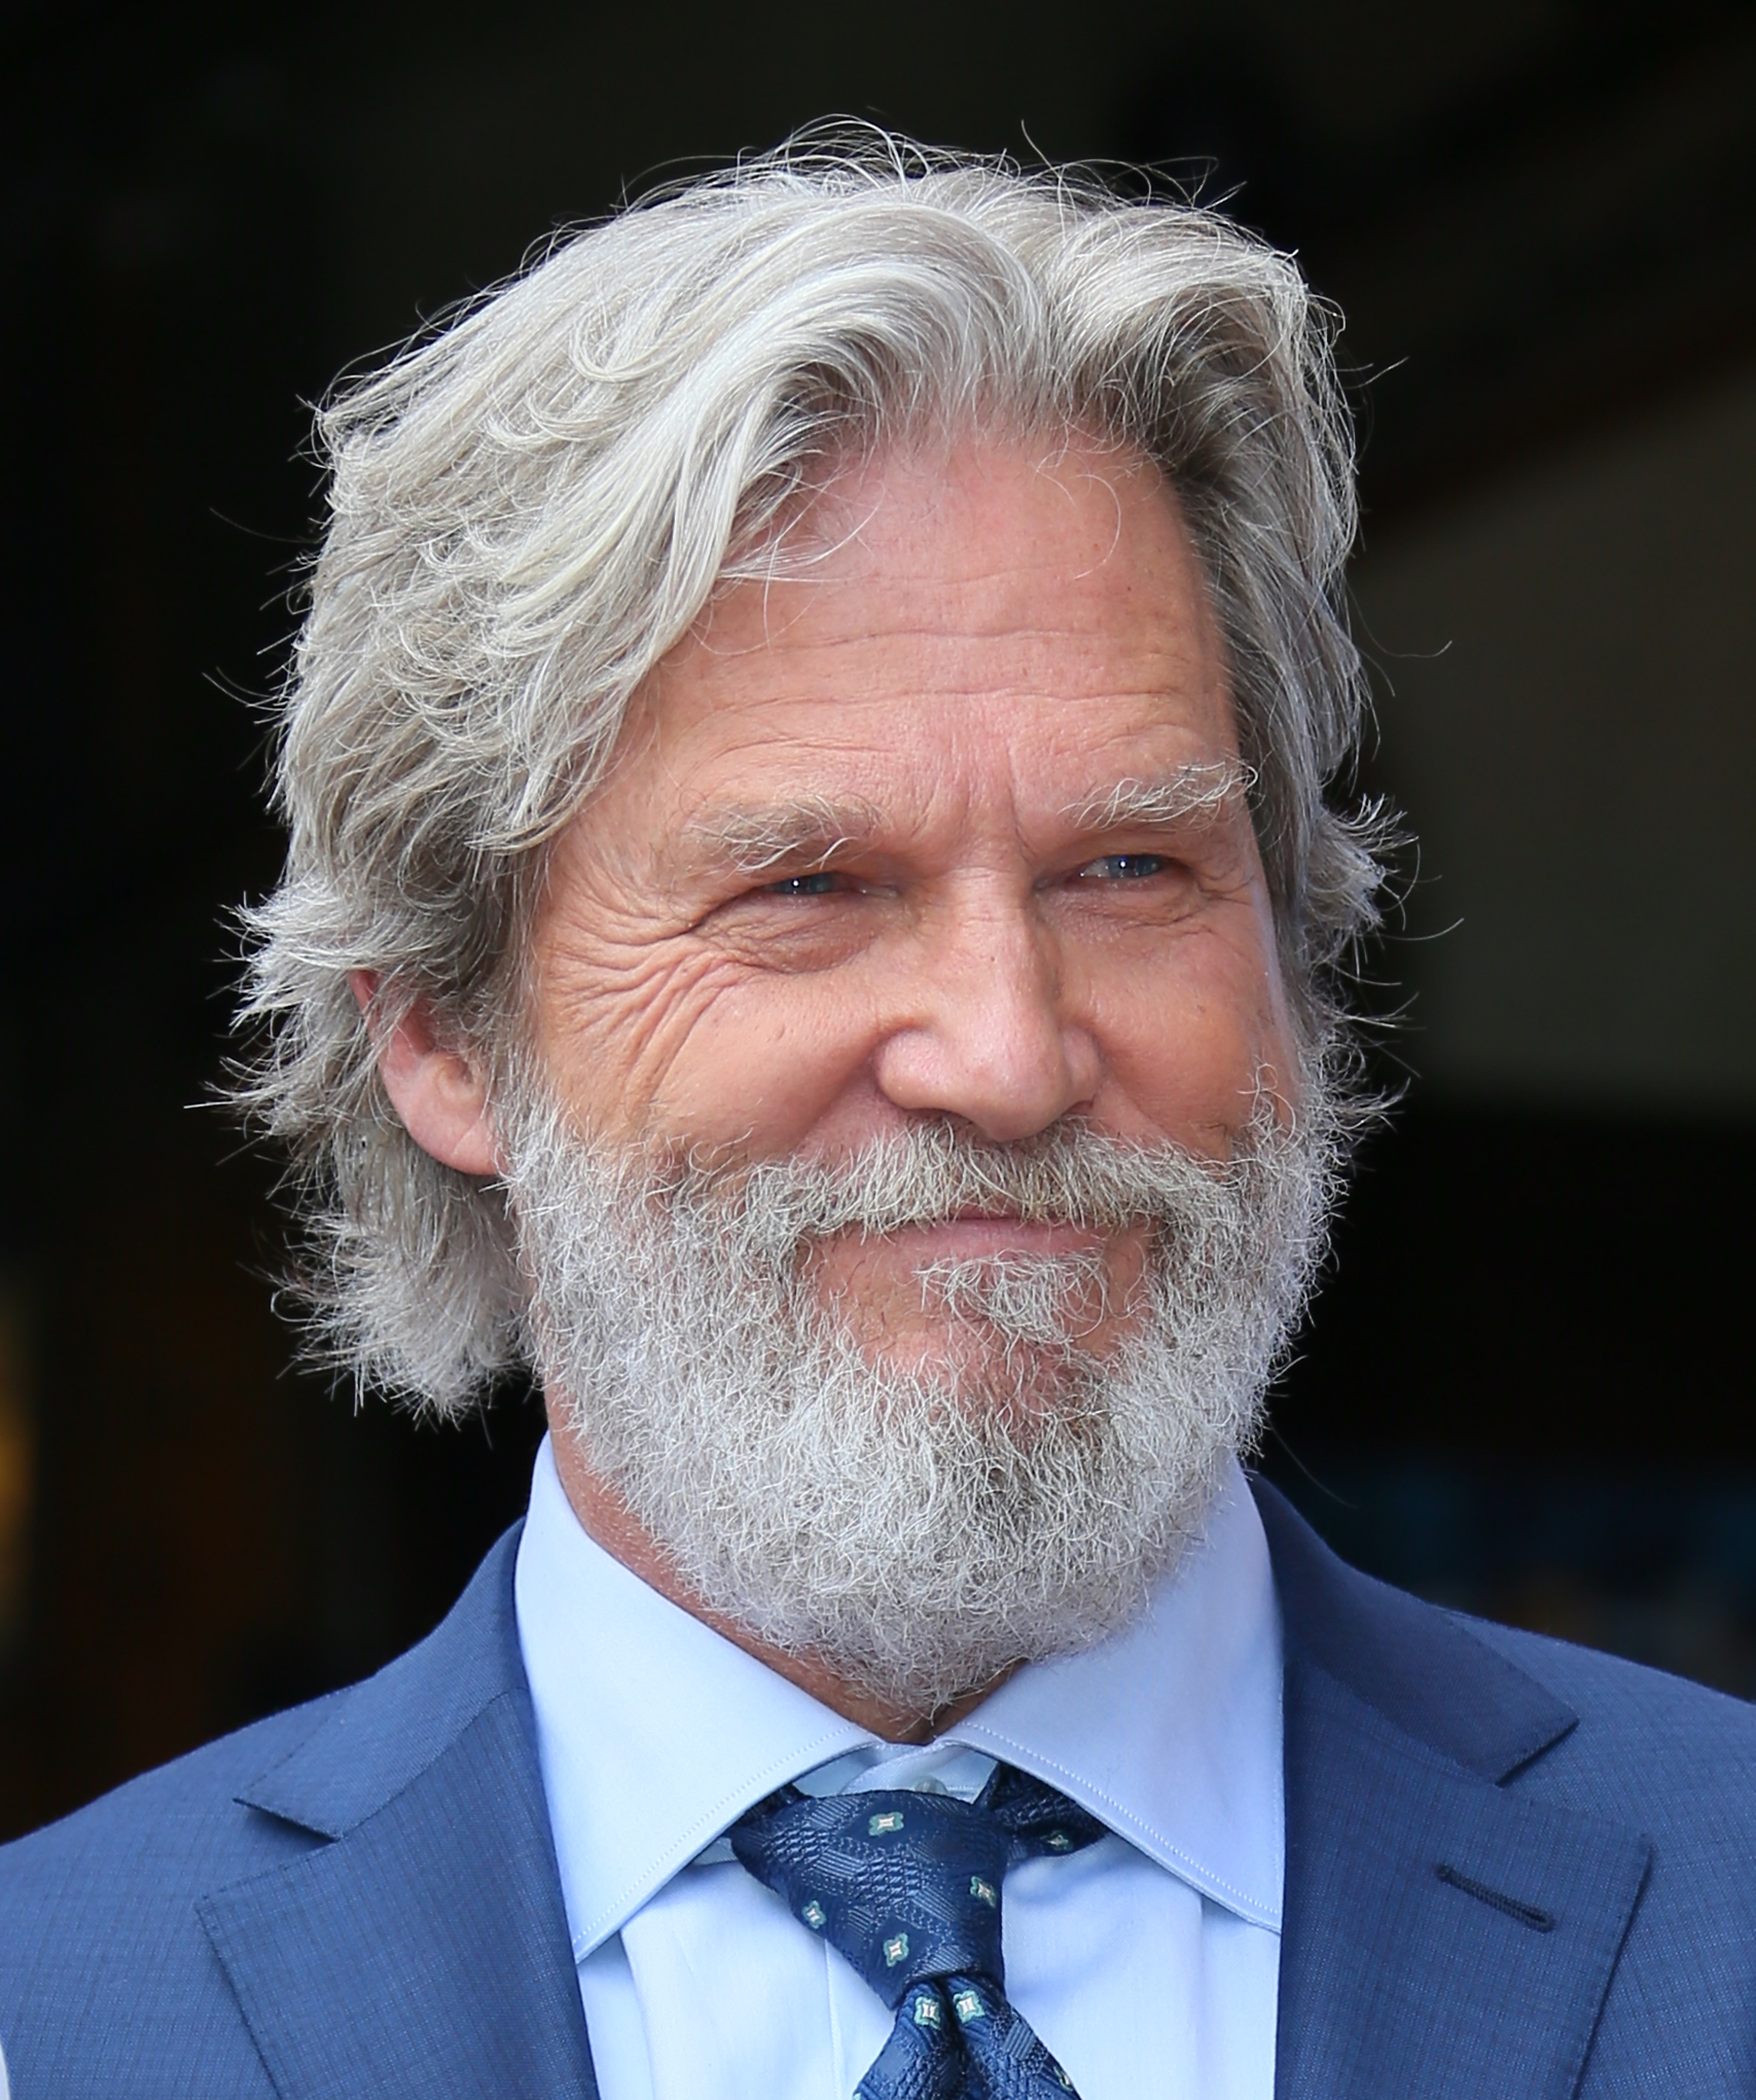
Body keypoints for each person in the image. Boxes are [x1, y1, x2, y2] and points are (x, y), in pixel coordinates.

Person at [1, 134, 1751, 2100]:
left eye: (1132, 869)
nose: (1006, 1057)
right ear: (440, 1039)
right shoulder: (58, 2013)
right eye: (811, 888)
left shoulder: (1727, 1911)